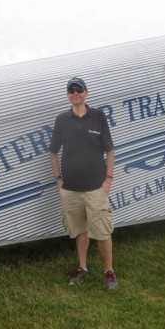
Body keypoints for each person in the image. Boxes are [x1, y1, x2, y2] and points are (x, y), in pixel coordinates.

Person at [49, 77, 119, 289]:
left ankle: (109, 271)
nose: (75, 93)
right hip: (70, 190)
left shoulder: (98, 116)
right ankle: (82, 267)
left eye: (79, 90)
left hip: (96, 188)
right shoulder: (62, 120)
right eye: (71, 90)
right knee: (80, 231)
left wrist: (108, 180)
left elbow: (110, 150)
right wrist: (59, 180)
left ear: (86, 93)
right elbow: (53, 151)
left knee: (102, 231)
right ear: (67, 94)